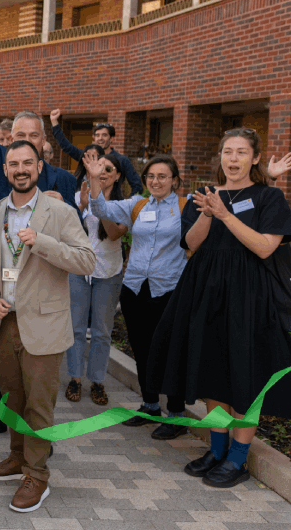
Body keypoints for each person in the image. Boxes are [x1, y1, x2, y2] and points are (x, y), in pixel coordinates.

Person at [148, 128, 291, 488]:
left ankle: (239, 459)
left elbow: (263, 248)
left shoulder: (270, 197)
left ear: (255, 158)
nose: (233, 158)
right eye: (228, 151)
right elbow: (191, 245)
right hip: (207, 294)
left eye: (242, 152)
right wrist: (210, 213)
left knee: (245, 377)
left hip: (250, 298)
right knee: (213, 371)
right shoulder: (205, 196)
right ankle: (217, 448)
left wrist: (226, 215)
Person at [0, 53, 78, 442]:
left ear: (44, 144)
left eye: (34, 135)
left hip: (41, 299)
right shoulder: (0, 163)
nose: (24, 144)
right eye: (18, 134)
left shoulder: (62, 181)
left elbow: (75, 245)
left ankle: (36, 447)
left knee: (37, 386)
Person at [0, 139, 95, 513]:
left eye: (27, 163)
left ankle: (37, 476)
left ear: (39, 167)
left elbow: (87, 261)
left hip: (44, 325)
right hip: (3, 322)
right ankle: (16, 458)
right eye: (13, 164)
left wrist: (42, 242)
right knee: (11, 400)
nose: (20, 170)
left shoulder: (59, 211)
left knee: (39, 406)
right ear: (5, 170)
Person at [89, 153, 190, 440]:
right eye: (150, 176)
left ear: (174, 180)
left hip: (168, 289)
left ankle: (178, 414)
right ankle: (150, 406)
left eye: (162, 176)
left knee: (170, 352)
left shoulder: (185, 206)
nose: (155, 181)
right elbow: (101, 208)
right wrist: (95, 179)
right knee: (142, 348)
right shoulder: (138, 203)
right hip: (135, 288)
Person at [64, 147, 127, 406]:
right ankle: (75, 378)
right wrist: (80, 205)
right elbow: (67, 230)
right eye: (98, 168)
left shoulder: (124, 204)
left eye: (108, 169)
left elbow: (114, 234)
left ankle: (97, 380)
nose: (102, 173)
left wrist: (98, 203)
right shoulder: (80, 196)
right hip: (79, 269)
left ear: (117, 175)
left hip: (108, 272)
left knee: (101, 331)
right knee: (76, 327)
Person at [50, 110, 144, 195]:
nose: (100, 138)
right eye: (97, 135)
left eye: (104, 135)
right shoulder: (88, 156)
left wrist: (128, 205)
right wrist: (54, 122)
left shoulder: (122, 160)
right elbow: (67, 147)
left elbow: (137, 185)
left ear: (111, 139)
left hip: (111, 204)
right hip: (87, 203)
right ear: (94, 138)